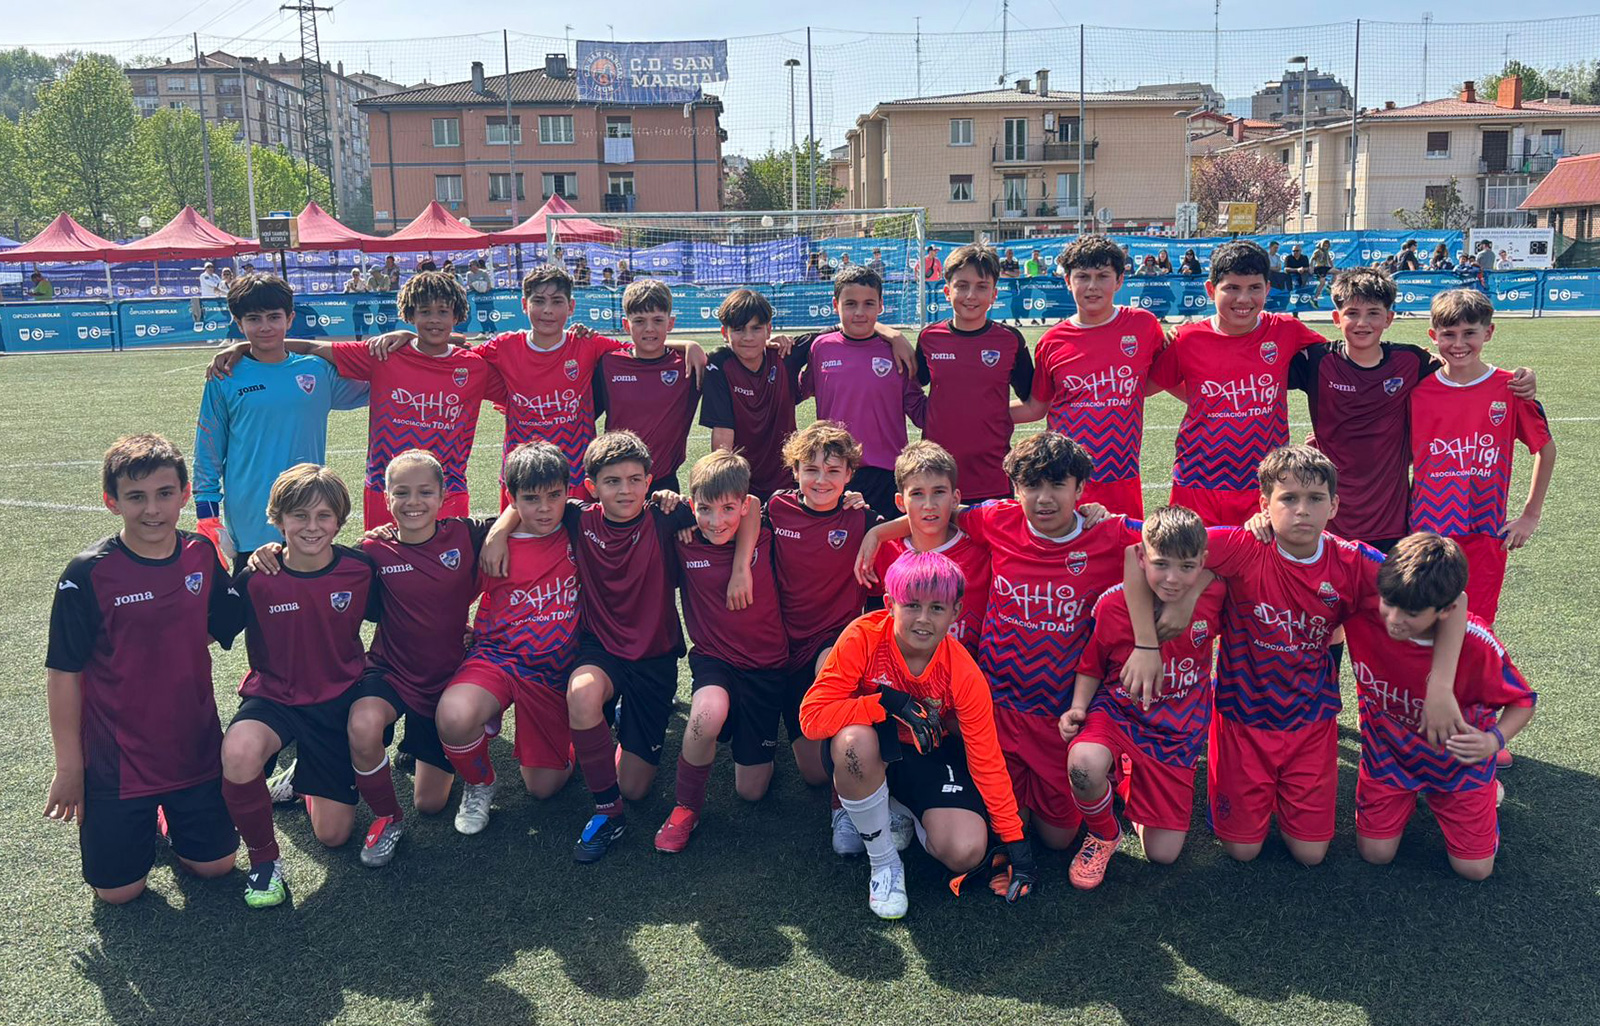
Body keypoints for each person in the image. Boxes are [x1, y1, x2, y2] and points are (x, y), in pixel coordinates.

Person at [1120, 445, 1464, 868]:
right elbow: (1137, 551)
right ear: (1264, 504)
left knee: (1311, 855)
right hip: (1243, 718)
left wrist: (1441, 686)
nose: (1302, 510)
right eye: (1288, 498)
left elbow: (1453, 597)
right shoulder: (1244, 545)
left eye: (1315, 498)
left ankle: (1280, 794)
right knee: (1242, 852)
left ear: (1334, 506)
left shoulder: (1352, 561)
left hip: (1311, 720)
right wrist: (1150, 640)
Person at [859, 432, 1148, 857]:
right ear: (1015, 489)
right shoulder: (998, 520)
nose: (1044, 498)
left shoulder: (1105, 532)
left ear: (1081, 489)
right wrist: (880, 532)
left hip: (1058, 711)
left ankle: (1106, 773)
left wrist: (1255, 529)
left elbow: (1173, 543)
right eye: (1032, 486)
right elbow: (934, 511)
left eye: (1058, 485)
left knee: (1056, 839)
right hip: (996, 706)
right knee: (1005, 825)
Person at [242, 450, 497, 866]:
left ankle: (468, 761)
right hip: (390, 673)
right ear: (386, 497)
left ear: (443, 495)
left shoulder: (466, 534)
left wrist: (501, 532)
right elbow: (316, 563)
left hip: (448, 678)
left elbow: (517, 518)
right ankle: (386, 817)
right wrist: (268, 550)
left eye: (425, 492)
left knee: (430, 804)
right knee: (362, 723)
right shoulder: (371, 551)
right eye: (402, 492)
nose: (413, 502)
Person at [44, 435, 242, 904]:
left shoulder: (200, 553)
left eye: (164, 493)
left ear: (185, 494)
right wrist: (70, 767)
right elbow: (63, 673)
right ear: (111, 501)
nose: (152, 509)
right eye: (136, 497)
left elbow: (226, 616)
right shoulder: (86, 573)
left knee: (216, 867)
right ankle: (144, 816)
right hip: (117, 759)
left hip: (193, 746)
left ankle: (170, 815)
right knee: (118, 893)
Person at [544, 431, 754, 863]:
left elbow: (749, 505)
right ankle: (608, 813)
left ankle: (621, 729)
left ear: (650, 481)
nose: (625, 490)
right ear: (591, 487)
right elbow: (524, 506)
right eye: (612, 481)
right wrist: (498, 533)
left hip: (654, 659)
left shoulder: (666, 516)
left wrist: (740, 568)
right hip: (601, 650)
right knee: (581, 694)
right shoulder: (578, 519)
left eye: (634, 480)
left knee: (635, 787)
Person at [802, 550, 1036, 920]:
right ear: (889, 604)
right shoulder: (862, 637)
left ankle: (897, 808)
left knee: (966, 851)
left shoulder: (963, 672)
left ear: (955, 612)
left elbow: (986, 758)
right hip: (871, 747)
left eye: (937, 608)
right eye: (912, 605)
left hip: (928, 753)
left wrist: (1015, 842)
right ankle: (884, 863)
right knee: (853, 743)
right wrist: (886, 702)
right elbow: (812, 719)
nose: (923, 619)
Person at [375, 265, 704, 502]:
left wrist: (686, 344)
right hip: (520, 475)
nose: (548, 310)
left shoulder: (588, 345)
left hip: (577, 475)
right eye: (539, 301)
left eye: (557, 301)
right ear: (524, 305)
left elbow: (642, 346)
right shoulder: (503, 346)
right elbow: (453, 353)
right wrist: (410, 335)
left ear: (571, 307)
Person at [210, 270, 501, 530]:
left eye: (443, 312)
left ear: (457, 315)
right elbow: (312, 347)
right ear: (410, 315)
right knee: (384, 564)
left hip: (448, 490)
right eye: (425, 312)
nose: (434, 320)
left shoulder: (475, 366)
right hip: (384, 489)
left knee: (448, 565)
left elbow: (516, 389)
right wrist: (244, 347)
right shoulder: (384, 354)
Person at [1286, 269, 1537, 553]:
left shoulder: (1411, 361)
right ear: (1336, 317)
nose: (1362, 323)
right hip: (1329, 516)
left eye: (1373, 313)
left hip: (1392, 519)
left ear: (1388, 318)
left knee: (1389, 582)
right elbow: (1265, 372)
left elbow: (1463, 370)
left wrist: (1521, 375)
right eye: (1352, 313)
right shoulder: (1317, 360)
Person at [218, 464, 379, 908]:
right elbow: (209, 630)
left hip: (337, 703)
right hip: (275, 698)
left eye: (324, 516)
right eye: (299, 516)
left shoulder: (359, 569)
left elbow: (398, 616)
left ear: (339, 521)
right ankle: (265, 860)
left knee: (334, 836)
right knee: (238, 752)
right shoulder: (257, 576)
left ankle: (299, 780)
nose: (312, 526)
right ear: (279, 519)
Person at [1343, 533, 1536, 880]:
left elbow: (1523, 701)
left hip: (1457, 766)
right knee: (1375, 854)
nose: (1394, 619)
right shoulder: (1365, 611)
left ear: (1446, 610)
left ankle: (1485, 792)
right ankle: (1404, 798)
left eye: (1411, 613)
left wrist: (1493, 741)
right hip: (1388, 757)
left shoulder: (1476, 644)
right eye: (1388, 602)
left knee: (1474, 871)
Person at [1057, 506, 1227, 886]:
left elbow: (1234, 561)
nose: (1172, 578)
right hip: (1118, 714)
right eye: (1161, 564)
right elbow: (1091, 664)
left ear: (1202, 563)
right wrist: (1077, 709)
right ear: (1141, 559)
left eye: (1186, 567)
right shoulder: (1113, 605)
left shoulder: (1216, 596)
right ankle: (1103, 832)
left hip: (1177, 732)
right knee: (1083, 765)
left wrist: (1193, 593)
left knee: (1162, 855)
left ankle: (1126, 780)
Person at [434, 441, 580, 834]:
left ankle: (573, 738)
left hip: (551, 674)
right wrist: (458, 631)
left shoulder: (581, 531)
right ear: (512, 499)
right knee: (454, 715)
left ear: (569, 492)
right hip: (497, 658)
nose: (545, 508)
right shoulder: (490, 544)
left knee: (544, 789)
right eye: (531, 499)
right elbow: (447, 597)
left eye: (554, 496)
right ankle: (480, 782)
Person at [654, 451, 785, 851]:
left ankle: (748, 734)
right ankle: (685, 807)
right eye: (705, 510)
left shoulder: (764, 533)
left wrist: (741, 568)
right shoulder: (685, 539)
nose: (715, 521)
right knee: (706, 715)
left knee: (751, 792)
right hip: (716, 660)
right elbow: (651, 509)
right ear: (692, 506)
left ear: (741, 507)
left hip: (766, 667)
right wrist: (668, 501)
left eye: (728, 509)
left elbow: (755, 503)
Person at [193, 274, 369, 570]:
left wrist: (411, 343)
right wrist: (206, 513)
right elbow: (208, 449)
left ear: (290, 319)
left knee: (310, 595)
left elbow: (382, 381)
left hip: (308, 514)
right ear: (239, 324)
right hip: (251, 518)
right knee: (255, 596)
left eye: (274, 317)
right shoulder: (225, 377)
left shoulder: (317, 370)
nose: (265, 327)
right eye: (254, 319)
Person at [1149, 240, 1326, 527]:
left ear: (1268, 289)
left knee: (1261, 555)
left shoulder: (1286, 330)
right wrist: (1198, 394)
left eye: (1254, 288)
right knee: (1194, 553)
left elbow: (1338, 366)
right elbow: (1151, 384)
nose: (1243, 299)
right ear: (1210, 290)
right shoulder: (1188, 339)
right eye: (1232, 288)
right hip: (1198, 478)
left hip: (1267, 481)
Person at [1408, 289, 1555, 627]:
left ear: (1488, 333)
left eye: (1469, 333)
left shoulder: (1510, 388)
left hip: (1486, 531)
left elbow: (1545, 449)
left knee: (1476, 625)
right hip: (1426, 531)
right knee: (1425, 626)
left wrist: (1530, 516)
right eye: (1449, 334)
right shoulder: (1418, 390)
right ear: (1433, 335)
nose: (1459, 343)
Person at [768, 422, 882, 830]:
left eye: (833, 471)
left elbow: (916, 523)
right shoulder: (776, 510)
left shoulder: (861, 518)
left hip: (833, 640)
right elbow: (731, 515)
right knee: (814, 772)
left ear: (850, 474)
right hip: (786, 647)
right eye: (811, 469)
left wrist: (879, 529)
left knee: (833, 674)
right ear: (795, 471)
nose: (822, 480)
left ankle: (843, 809)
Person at [1011, 234, 1167, 517]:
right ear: (1067, 281)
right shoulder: (1052, 341)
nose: (1092, 286)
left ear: (1119, 281)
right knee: (1066, 544)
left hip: (1122, 477)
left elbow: (1162, 378)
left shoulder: (1143, 325)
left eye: (1103, 276)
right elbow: (1037, 406)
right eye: (1083, 276)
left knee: (1125, 544)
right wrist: (977, 411)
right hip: (1065, 479)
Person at [797, 265, 927, 520]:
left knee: (885, 541)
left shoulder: (896, 352)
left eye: (868, 304)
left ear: (881, 306)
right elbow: (798, 390)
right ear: (835, 305)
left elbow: (919, 412)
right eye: (850, 304)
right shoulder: (821, 348)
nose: (859, 312)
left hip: (887, 472)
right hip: (833, 471)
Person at [914, 244, 1034, 503]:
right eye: (962, 285)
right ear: (947, 291)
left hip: (992, 476)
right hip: (937, 476)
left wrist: (989, 413)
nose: (971, 295)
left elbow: (1034, 405)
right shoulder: (929, 338)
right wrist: (932, 416)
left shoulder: (1010, 340)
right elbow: (910, 389)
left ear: (994, 294)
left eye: (981, 286)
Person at [868, 441, 991, 655]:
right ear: (900, 502)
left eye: (939, 492)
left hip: (968, 670)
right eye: (917, 493)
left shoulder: (981, 551)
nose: (929, 505)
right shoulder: (884, 550)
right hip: (902, 670)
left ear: (955, 498)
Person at [593, 279, 702, 494]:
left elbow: (738, 356)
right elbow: (584, 417)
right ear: (626, 325)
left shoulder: (689, 365)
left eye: (658, 320)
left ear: (670, 323)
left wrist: (769, 342)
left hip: (664, 485)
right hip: (616, 482)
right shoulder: (609, 364)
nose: (649, 328)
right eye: (640, 321)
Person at [701, 289, 810, 499]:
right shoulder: (719, 363)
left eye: (756, 328)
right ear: (724, 333)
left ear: (769, 330)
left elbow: (840, 330)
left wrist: (885, 331)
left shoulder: (784, 354)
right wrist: (726, 482)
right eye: (739, 329)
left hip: (787, 481)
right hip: (741, 482)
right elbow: (723, 433)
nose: (748, 337)